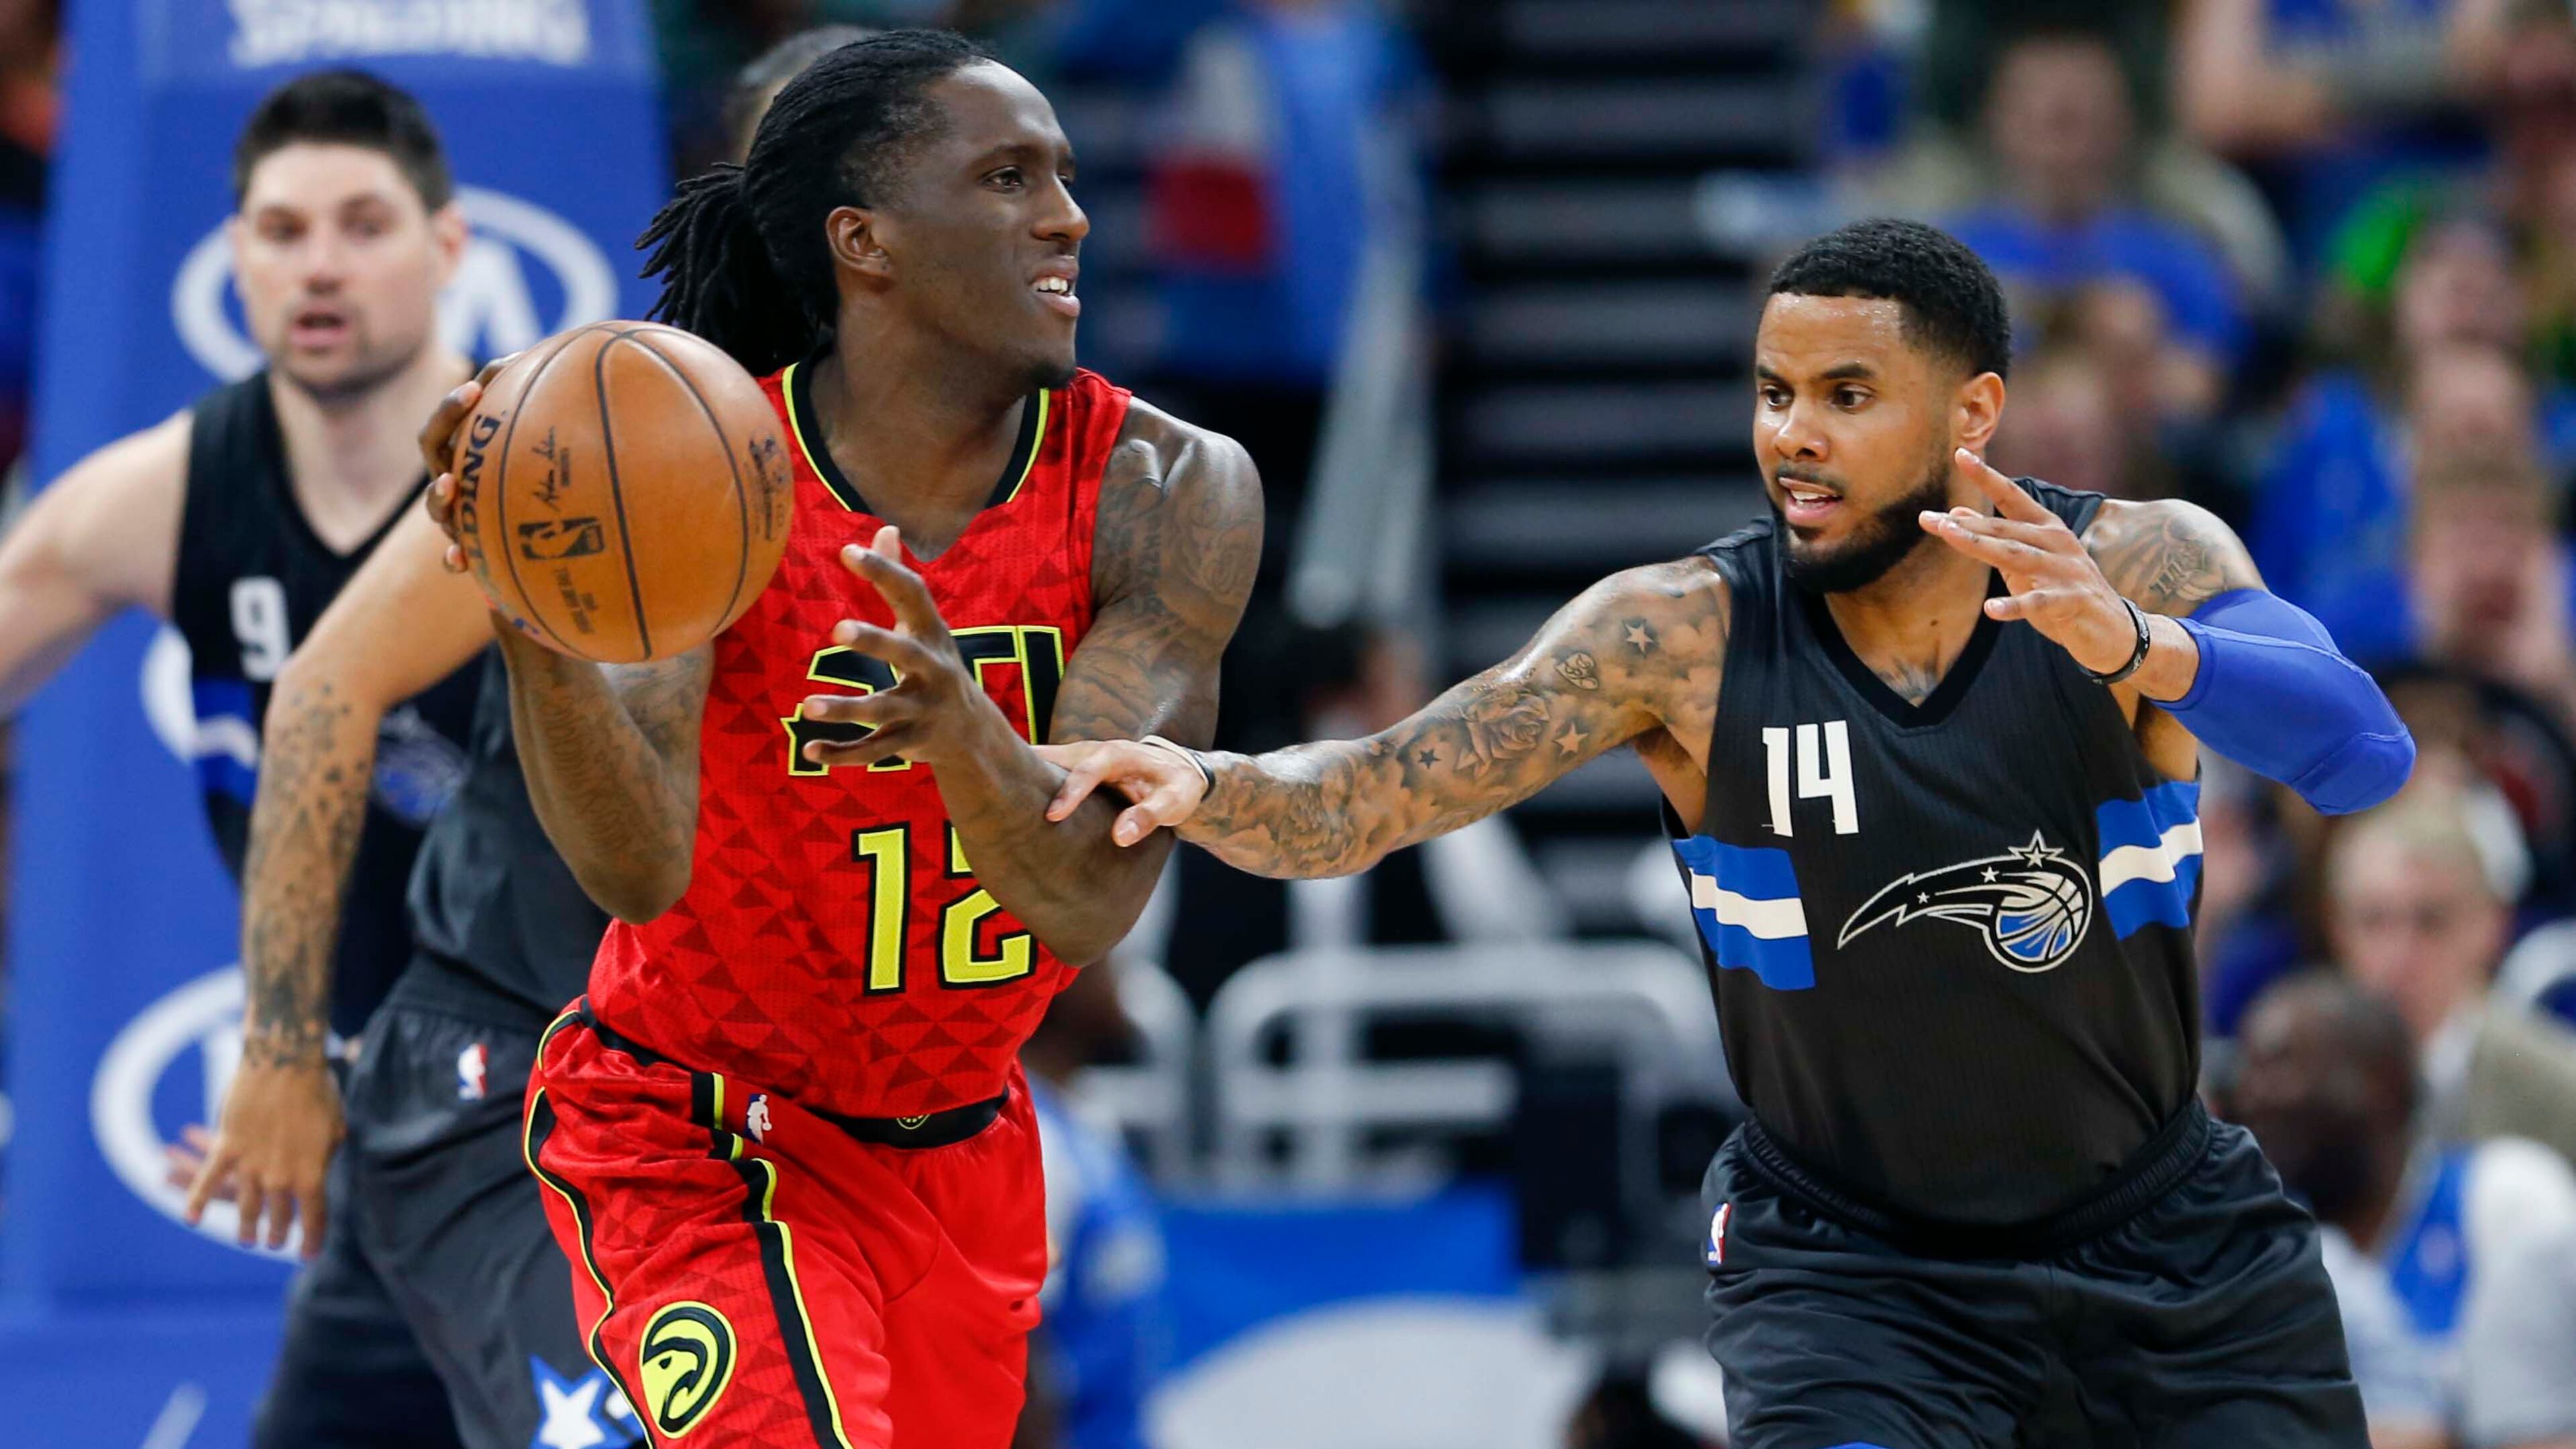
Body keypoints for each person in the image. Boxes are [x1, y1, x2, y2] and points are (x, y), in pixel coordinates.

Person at [1044, 217, 2416, 1446]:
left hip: (2167, 1239)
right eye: (1774, 394)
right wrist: (1203, 784)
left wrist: (2147, 649)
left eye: (1845, 395)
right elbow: (1378, 790)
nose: (1791, 436)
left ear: (1973, 413)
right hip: (1859, 1271)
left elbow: (2361, 753)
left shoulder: (2136, 565)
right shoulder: (1680, 635)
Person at [416, 30, 1261, 1448]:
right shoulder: (706, 470)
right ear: (863, 242)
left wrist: (958, 733)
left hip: (962, 1158)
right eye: (1007, 178)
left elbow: (1085, 901)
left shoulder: (1165, 487)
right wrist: (536, 627)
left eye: (1061, 174)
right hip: (696, 1134)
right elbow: (633, 871)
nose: (1069, 216)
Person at [0, 70, 480, 1447]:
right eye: (280, 231)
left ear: (448, 249)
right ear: (233, 260)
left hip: (598, 1131)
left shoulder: (559, 476)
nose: (319, 265)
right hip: (382, 1146)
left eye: (362, 224)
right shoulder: (166, 493)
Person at [2231, 971, 2576, 1449]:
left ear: (2384, 1082)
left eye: (2283, 1065)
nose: (2255, 1094)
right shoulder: (2273, 1254)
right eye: (2249, 1070)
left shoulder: (2505, 1194)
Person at [2326, 789, 2576, 1167]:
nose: (2400, 955)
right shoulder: (2305, 1087)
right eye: (2374, 920)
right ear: (2338, 930)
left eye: (2432, 921)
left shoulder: (2557, 1089)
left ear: (2491, 926)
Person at [1018, 963, 1167, 1449]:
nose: (1122, 978)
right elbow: (1019, 1350)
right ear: (1058, 981)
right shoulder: (1031, 1138)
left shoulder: (1085, 1116)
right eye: (1104, 963)